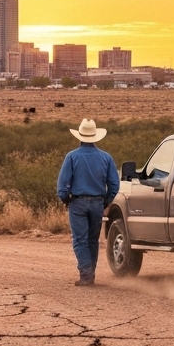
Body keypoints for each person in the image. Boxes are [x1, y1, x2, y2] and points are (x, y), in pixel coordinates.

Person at [56, 118, 120, 286]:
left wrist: (65, 199)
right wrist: (105, 201)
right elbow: (114, 184)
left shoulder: (72, 157)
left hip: (78, 202)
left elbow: (63, 184)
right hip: (98, 202)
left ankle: (86, 274)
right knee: (93, 239)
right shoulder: (106, 157)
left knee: (80, 239)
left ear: (80, 136)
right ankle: (90, 272)